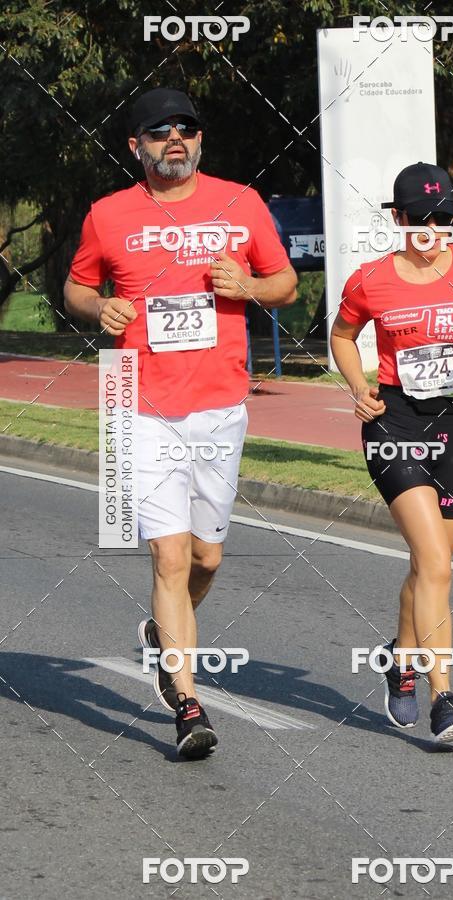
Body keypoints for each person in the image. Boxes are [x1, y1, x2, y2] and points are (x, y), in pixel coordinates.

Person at [64, 88, 297, 758]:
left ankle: (161, 632)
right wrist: (99, 307)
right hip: (139, 404)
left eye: (187, 129)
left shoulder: (241, 203)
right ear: (135, 146)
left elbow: (285, 283)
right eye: (159, 130)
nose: (176, 138)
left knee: (207, 556)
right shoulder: (108, 215)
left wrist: (248, 288)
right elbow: (78, 286)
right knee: (168, 555)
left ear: (199, 141)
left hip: (220, 404)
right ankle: (187, 705)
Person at [330, 162, 453, 743]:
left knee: (432, 557)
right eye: (420, 220)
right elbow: (341, 335)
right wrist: (359, 388)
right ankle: (445, 699)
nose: (431, 230)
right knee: (436, 563)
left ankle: (399, 656)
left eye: (442, 218)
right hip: (396, 422)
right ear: (398, 218)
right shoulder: (371, 280)